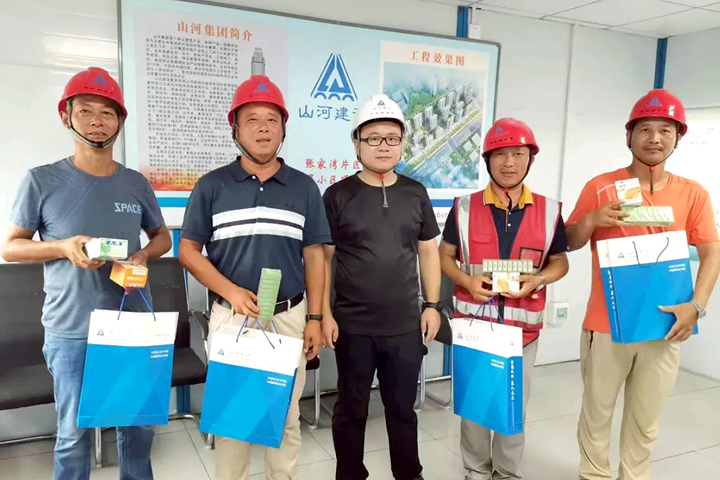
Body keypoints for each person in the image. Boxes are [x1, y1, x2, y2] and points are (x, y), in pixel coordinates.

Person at [1, 67, 171, 480]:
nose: (97, 121)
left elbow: (163, 236)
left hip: (130, 324)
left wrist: (143, 255)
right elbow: (10, 247)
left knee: (136, 428)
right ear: (66, 116)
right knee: (73, 433)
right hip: (71, 328)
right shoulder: (42, 180)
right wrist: (63, 247)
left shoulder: (135, 183)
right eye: (86, 111)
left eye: (107, 112)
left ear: (120, 121)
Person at [178, 74, 330, 480]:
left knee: (286, 417)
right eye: (252, 120)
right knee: (234, 421)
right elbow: (188, 251)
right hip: (233, 317)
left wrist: (315, 318)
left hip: (289, 317)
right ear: (235, 129)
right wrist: (230, 291)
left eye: (272, 120)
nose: (263, 128)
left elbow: (315, 256)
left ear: (283, 129)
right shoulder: (212, 186)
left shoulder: (303, 187)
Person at [566, 89, 720, 480]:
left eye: (665, 130)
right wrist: (593, 219)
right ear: (629, 135)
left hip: (665, 325)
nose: (655, 138)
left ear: (678, 137)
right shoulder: (600, 186)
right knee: (596, 414)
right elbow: (568, 241)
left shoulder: (694, 193)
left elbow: (711, 252)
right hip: (607, 323)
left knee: (645, 419)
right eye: (645, 129)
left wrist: (696, 306)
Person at [439, 118, 569, 480]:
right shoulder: (464, 208)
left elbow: (560, 262)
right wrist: (466, 280)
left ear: (530, 159)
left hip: (522, 331)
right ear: (487, 160)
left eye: (518, 154)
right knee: (475, 405)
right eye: (500, 154)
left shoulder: (549, 211)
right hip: (475, 326)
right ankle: (476, 470)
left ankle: (508, 472)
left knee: (513, 407)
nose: (509, 163)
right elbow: (444, 256)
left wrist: (538, 279)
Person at [322, 94, 441, 480]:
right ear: (356, 144)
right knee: (351, 408)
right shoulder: (337, 195)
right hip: (353, 325)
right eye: (373, 138)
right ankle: (350, 474)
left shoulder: (415, 192)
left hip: (405, 325)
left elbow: (428, 252)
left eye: (392, 138)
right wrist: (323, 314)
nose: (383, 146)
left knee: (402, 409)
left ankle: (408, 473)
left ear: (402, 143)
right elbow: (324, 259)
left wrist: (433, 305)